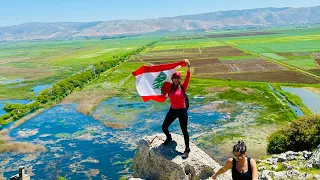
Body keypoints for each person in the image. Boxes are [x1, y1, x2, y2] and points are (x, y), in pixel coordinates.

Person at [162, 59, 191, 159]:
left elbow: (188, 78)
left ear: (180, 79)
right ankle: (169, 138)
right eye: (174, 77)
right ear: (172, 79)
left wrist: (188, 67)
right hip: (173, 110)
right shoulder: (169, 88)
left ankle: (187, 149)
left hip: (182, 111)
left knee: (184, 131)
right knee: (164, 127)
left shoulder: (183, 87)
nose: (176, 79)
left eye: (177, 78)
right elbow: (162, 89)